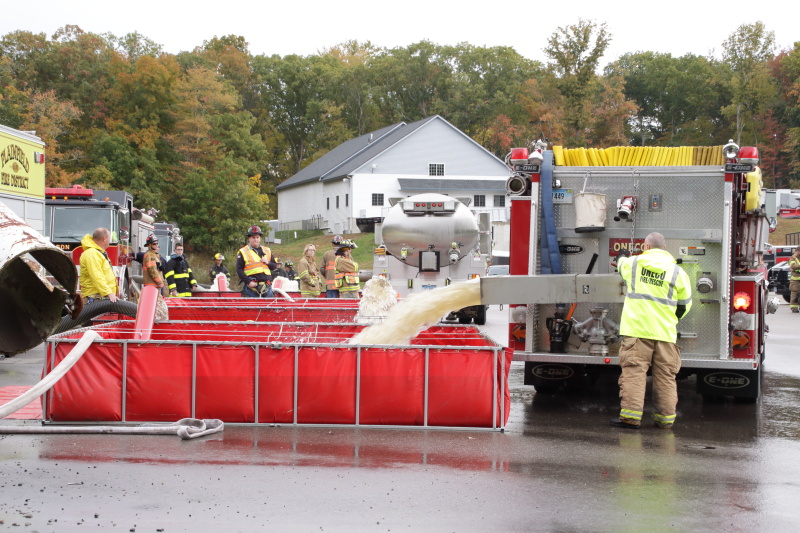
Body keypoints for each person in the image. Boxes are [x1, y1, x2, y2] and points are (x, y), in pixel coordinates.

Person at [611, 232, 692, 430]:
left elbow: (620, 264)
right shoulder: (678, 273)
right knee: (666, 376)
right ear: (664, 249)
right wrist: (670, 320)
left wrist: (621, 255)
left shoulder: (634, 264)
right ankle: (665, 421)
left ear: (645, 247)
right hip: (665, 334)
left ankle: (630, 418)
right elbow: (685, 305)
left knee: (634, 374)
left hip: (637, 333)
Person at [79, 227, 118, 304]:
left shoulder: (98, 253)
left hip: (100, 297)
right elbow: (96, 275)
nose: (109, 242)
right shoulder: (92, 254)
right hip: (94, 299)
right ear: (104, 238)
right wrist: (108, 293)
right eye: (109, 239)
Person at [236, 225, 278, 297]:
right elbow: (239, 270)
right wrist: (248, 281)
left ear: (260, 238)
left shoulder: (267, 250)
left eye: (257, 237)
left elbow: (274, 266)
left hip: (267, 287)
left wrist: (268, 262)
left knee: (271, 308)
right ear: (249, 238)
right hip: (251, 288)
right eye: (253, 237)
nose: (255, 239)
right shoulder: (243, 251)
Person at [789, 248, 800, 313]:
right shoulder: (793, 258)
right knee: (795, 293)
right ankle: (794, 307)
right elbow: (793, 266)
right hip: (795, 279)